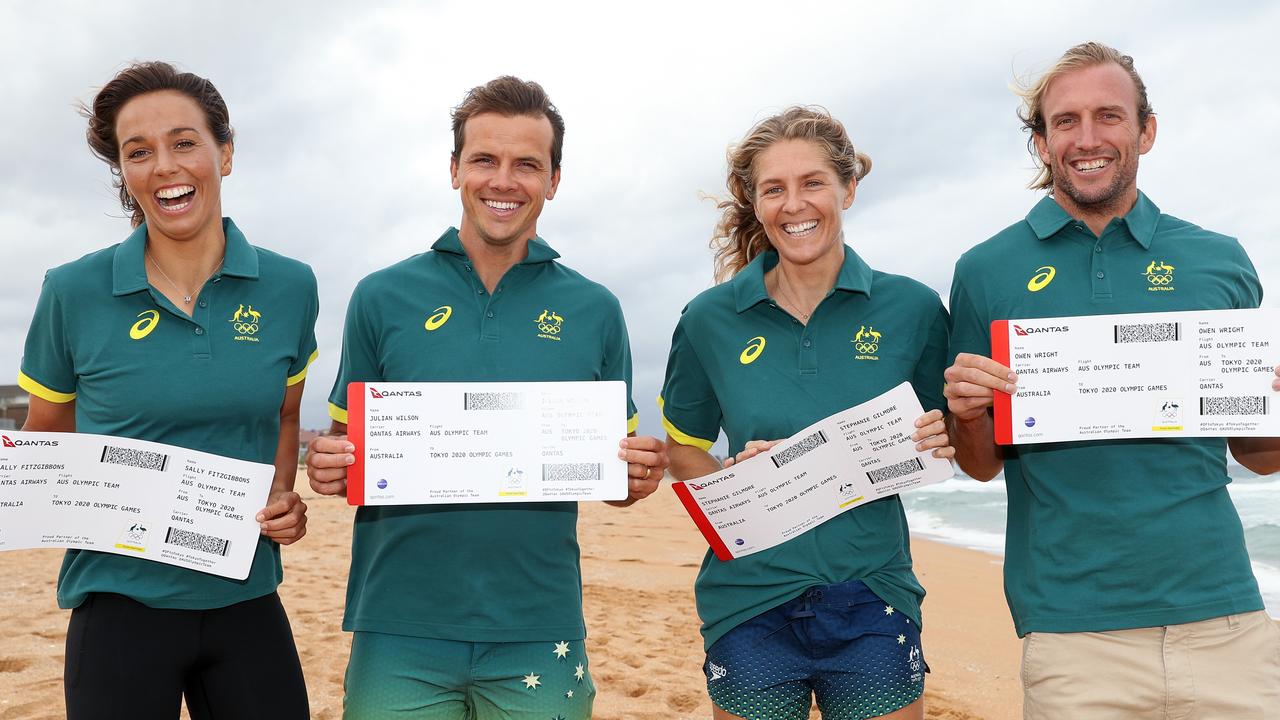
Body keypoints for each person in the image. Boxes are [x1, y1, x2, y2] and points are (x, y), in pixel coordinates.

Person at [304, 76, 669, 720]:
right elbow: (346, 444)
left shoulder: (596, 309)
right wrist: (332, 464)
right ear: (455, 170)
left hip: (539, 622)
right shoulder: (381, 296)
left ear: (554, 180)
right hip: (399, 622)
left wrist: (633, 475)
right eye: (484, 160)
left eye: (527, 163)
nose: (504, 180)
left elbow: (615, 477)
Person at [944, 42, 1280, 719]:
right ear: (1040, 142)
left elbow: (1255, 452)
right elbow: (979, 468)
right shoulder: (986, 270)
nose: (1088, 138)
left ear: (1145, 130)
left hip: (1225, 619)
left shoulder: (1220, 260)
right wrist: (968, 414)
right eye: (1065, 121)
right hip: (1072, 633)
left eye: (1109, 116)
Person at [18, 61, 316, 719]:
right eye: (139, 152)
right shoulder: (71, 292)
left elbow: (287, 411)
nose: (164, 166)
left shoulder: (292, 287)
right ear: (124, 174)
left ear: (225, 153)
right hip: (118, 606)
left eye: (185, 143)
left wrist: (281, 495)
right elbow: (47, 443)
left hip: (246, 598)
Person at [661, 106, 954, 720]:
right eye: (774, 189)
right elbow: (683, 450)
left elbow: (957, 433)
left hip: (873, 595)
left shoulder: (915, 308)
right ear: (755, 201)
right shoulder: (708, 320)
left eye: (813, 182)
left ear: (847, 187)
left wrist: (945, 432)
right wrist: (733, 477)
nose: (795, 204)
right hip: (748, 600)